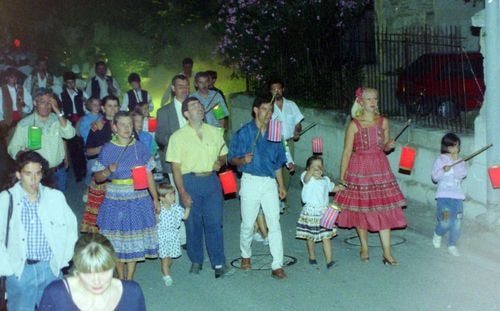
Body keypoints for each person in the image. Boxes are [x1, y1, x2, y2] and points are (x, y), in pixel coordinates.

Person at [334, 87, 406, 265]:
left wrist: (389, 146)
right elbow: (346, 152)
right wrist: (342, 178)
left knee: (384, 208)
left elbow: (384, 147)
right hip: (359, 169)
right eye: (369, 99)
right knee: (360, 209)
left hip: (380, 168)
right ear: (360, 102)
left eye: (375, 98)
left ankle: (387, 252)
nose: (373, 102)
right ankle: (364, 246)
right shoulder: (354, 125)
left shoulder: (383, 122)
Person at [0, 151, 78, 311]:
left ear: (42, 174)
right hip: (21, 271)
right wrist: (8, 268)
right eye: (28, 174)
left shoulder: (55, 197)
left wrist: (63, 259)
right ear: (18, 174)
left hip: (50, 268)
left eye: (37, 173)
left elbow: (70, 228)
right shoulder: (6, 199)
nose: (33, 180)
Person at [166, 97, 230, 278]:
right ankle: (196, 260)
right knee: (192, 223)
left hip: (211, 181)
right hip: (190, 181)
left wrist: (220, 161)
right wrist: (183, 192)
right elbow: (176, 168)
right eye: (194, 106)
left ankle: (218, 262)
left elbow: (224, 155)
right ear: (186, 114)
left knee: (214, 223)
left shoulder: (215, 132)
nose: (199, 108)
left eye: (200, 105)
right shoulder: (177, 137)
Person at [228, 94, 288, 279]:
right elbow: (232, 159)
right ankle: (246, 255)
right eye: (264, 109)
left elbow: (278, 163)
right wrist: (242, 159)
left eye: (270, 110)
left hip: (269, 182)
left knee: (274, 223)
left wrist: (281, 185)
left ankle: (277, 263)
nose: (268, 113)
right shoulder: (244, 133)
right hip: (250, 180)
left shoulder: (275, 133)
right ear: (255, 110)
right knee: (247, 223)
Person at [93, 111, 159, 280]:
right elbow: (97, 177)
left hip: (138, 198)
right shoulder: (107, 149)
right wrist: (108, 170)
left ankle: (129, 278)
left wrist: (156, 198)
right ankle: (120, 275)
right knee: (116, 241)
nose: (126, 128)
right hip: (115, 199)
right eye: (122, 124)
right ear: (114, 127)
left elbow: (149, 174)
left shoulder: (140, 147)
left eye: (129, 124)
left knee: (133, 239)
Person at [39, 233, 146, 310]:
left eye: (103, 272)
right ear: (77, 269)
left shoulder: (132, 293)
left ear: (114, 265)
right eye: (88, 273)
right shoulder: (56, 294)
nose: (96, 281)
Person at [8, 87, 76, 191]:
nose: (46, 106)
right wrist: (21, 154)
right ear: (35, 103)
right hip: (39, 174)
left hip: (59, 171)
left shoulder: (57, 119)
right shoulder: (25, 123)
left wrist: (58, 111)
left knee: (59, 201)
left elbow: (70, 134)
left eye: (49, 102)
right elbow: (12, 147)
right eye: (42, 102)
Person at [155, 74, 189, 246]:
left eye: (186, 86)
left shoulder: (196, 107)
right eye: (180, 86)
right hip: (174, 162)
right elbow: (159, 137)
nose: (184, 89)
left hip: (194, 162)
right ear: (173, 89)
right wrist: (177, 139)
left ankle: (193, 232)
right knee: (176, 198)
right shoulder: (163, 112)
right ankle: (181, 237)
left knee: (191, 197)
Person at [296, 155, 344, 268]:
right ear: (307, 169)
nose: (317, 169)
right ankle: (312, 256)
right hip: (310, 212)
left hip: (323, 213)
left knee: (326, 237)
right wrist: (310, 171)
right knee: (310, 237)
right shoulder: (307, 178)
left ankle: (329, 261)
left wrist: (341, 188)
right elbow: (306, 178)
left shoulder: (325, 180)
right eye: (313, 167)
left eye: (320, 166)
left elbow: (332, 188)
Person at [80, 96, 119, 232]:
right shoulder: (97, 126)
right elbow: (88, 152)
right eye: (109, 106)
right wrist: (103, 149)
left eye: (115, 106)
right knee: (101, 213)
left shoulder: (125, 124)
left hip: (122, 174)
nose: (113, 109)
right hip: (103, 174)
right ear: (103, 108)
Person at [270, 77, 304, 213]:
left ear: (283, 89)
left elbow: (298, 122)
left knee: (289, 171)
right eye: (273, 89)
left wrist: (297, 131)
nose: (276, 91)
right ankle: (275, 199)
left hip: (289, 141)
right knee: (274, 170)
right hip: (273, 142)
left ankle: (283, 197)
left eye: (278, 88)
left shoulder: (291, 104)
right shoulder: (268, 106)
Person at [431, 133, 467, 257]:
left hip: (457, 198)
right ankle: (437, 233)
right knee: (446, 221)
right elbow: (435, 178)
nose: (455, 149)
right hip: (444, 197)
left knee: (457, 222)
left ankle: (452, 244)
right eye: (452, 146)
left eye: (457, 146)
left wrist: (455, 161)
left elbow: (461, 175)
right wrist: (442, 170)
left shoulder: (460, 161)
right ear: (446, 147)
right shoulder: (440, 160)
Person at [157, 183, 190, 286]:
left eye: (173, 194)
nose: (173, 197)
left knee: (170, 258)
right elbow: (154, 221)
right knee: (165, 257)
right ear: (162, 198)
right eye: (170, 195)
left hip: (173, 235)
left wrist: (188, 207)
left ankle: (165, 267)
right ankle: (167, 276)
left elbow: (184, 217)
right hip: (162, 236)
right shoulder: (159, 210)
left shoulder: (175, 207)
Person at [60, 71, 87, 182]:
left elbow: (88, 104)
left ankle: (84, 170)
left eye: (72, 82)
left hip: (80, 121)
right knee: (73, 149)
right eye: (68, 83)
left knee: (82, 147)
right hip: (69, 123)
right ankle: (77, 173)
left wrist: (84, 99)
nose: (71, 85)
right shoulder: (61, 95)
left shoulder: (80, 93)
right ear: (65, 83)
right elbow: (61, 110)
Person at [0, 67, 33, 145]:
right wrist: (1, 120)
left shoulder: (22, 89)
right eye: (12, 77)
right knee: (10, 141)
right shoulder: (1, 90)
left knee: (23, 141)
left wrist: (23, 104)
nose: (14, 79)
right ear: (6, 78)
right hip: (8, 120)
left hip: (21, 117)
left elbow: (29, 108)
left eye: (16, 77)